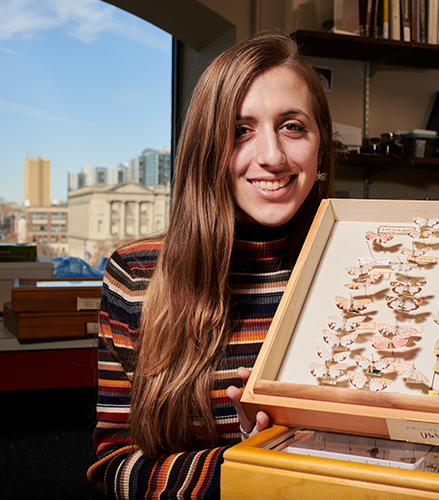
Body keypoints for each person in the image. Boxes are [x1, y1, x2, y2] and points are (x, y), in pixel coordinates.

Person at [87, 31, 336, 499]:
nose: (271, 157)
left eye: (293, 126)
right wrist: (251, 463)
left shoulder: (365, 271)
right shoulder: (137, 275)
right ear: (207, 150)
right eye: (241, 131)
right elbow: (114, 467)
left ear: (320, 146)